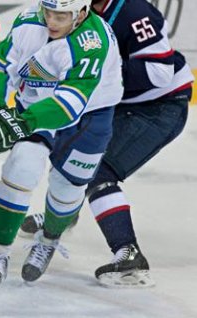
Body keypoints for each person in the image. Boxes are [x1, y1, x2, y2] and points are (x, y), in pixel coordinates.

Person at [19, 0, 194, 288]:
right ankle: (66, 213)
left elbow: (159, 72)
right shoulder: (82, 13)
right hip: (121, 105)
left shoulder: (134, 11)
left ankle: (129, 255)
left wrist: (100, 74)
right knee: (71, 155)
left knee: (98, 172)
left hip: (159, 108)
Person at [0, 0, 123, 286]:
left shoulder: (92, 42)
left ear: (81, 13)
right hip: (36, 105)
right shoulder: (28, 21)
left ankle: (49, 240)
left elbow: (70, 103)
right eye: (48, 12)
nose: (52, 21)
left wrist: (21, 123)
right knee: (20, 170)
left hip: (88, 118)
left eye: (61, 15)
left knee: (67, 188)